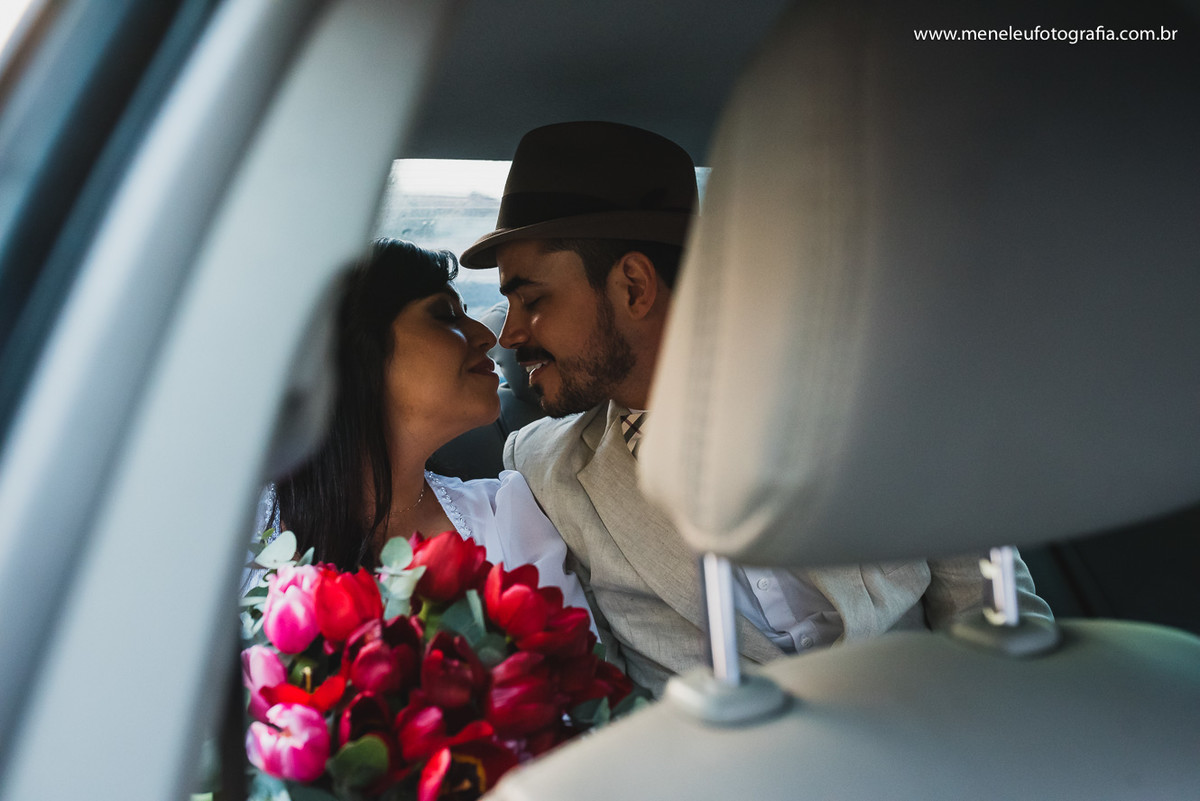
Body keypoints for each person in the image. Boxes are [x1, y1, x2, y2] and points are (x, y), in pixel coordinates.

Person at [459, 121, 1053, 697]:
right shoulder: (542, 471)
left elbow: (993, 612)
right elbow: (606, 692)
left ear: (634, 286)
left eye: (532, 299)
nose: (508, 334)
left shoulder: (883, 407)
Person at [266, 238, 592, 619]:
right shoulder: (233, 531)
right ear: (356, 352)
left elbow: (578, 668)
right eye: (445, 315)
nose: (490, 337)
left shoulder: (506, 515)